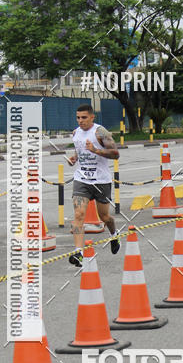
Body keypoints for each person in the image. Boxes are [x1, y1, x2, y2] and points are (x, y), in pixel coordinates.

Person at [67, 104, 120, 267]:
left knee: (104, 217)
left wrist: (96, 151)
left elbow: (116, 154)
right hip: (82, 179)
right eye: (78, 117)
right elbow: (80, 151)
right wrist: (74, 158)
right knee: (78, 215)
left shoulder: (101, 132)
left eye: (84, 117)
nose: (80, 121)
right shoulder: (75, 133)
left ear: (92, 117)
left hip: (101, 181)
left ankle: (114, 233)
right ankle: (79, 253)